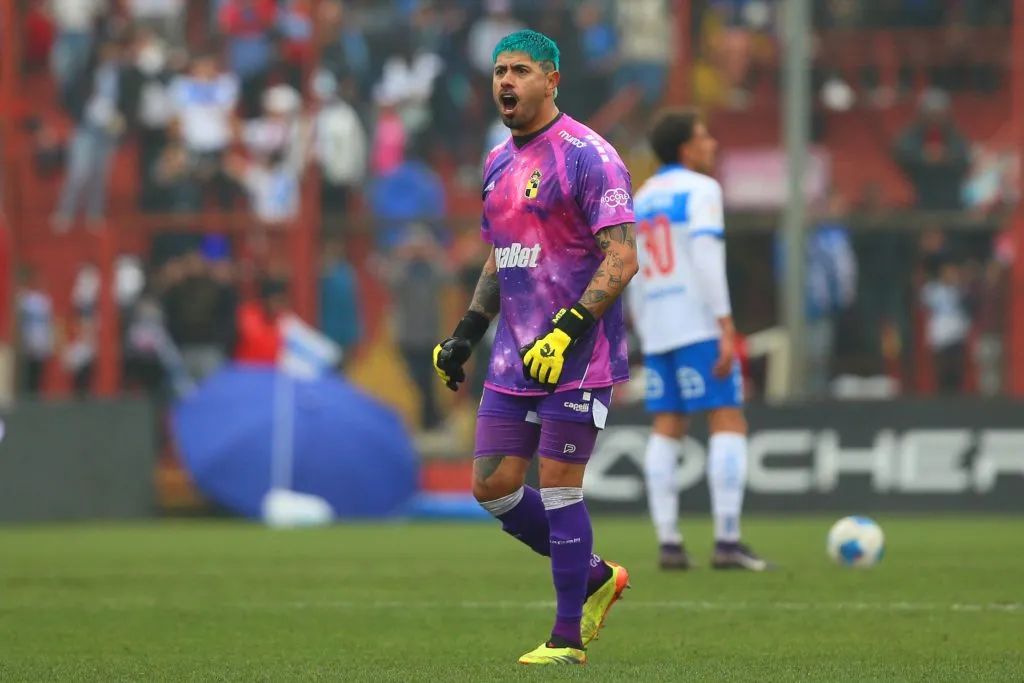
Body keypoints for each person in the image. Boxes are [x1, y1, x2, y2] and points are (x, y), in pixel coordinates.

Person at [431, 30, 637, 666]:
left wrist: (566, 330)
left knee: (559, 490)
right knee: (492, 489)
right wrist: (467, 333)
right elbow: (502, 256)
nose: (505, 82)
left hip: (578, 357)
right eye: (498, 71)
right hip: (512, 358)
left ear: (552, 80)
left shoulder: (590, 156)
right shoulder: (496, 163)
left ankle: (567, 637)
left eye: (520, 70)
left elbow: (623, 257)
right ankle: (597, 572)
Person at [629, 109, 772, 572]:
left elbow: (628, 269)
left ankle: (669, 541)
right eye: (705, 136)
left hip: (657, 326)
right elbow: (707, 259)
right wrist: (725, 324)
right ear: (687, 149)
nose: (712, 143)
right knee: (727, 420)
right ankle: (727, 540)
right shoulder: (702, 189)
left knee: (667, 427)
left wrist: (643, 325)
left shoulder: (642, 197)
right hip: (697, 322)